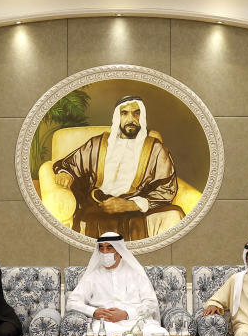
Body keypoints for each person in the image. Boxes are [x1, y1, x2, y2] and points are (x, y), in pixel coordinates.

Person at [52, 96, 183, 240]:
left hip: (138, 206)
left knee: (174, 215)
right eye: (124, 113)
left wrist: (131, 205)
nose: (131, 119)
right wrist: (66, 174)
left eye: (136, 113)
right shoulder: (98, 144)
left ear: (142, 116)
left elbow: (166, 189)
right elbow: (72, 163)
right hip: (101, 204)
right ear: (117, 117)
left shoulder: (156, 149)